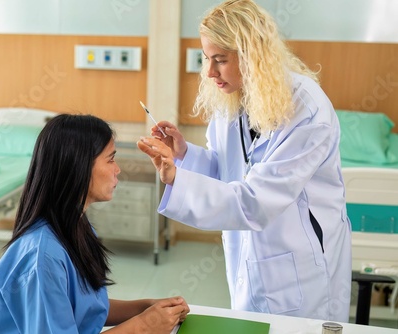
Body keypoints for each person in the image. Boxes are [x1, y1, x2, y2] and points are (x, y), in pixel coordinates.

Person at [137, 0, 352, 322]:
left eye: (220, 60)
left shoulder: (306, 112)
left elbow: (257, 201)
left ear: (253, 55)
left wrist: (176, 179)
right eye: (207, 59)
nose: (209, 73)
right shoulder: (234, 102)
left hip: (301, 265)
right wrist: (184, 154)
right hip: (249, 254)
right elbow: (229, 172)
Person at [0, 114, 189, 333]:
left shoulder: (74, 224)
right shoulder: (42, 258)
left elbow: (85, 308)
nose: (117, 169)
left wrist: (144, 307)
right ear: (78, 166)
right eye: (111, 159)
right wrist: (145, 325)